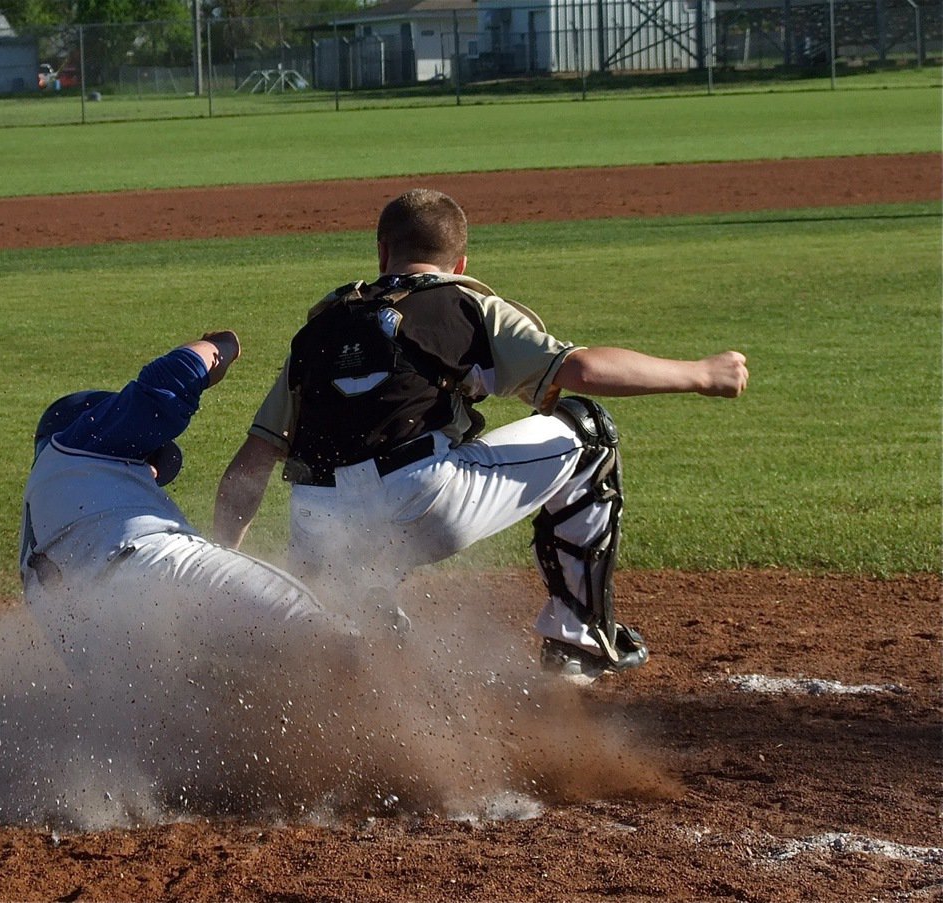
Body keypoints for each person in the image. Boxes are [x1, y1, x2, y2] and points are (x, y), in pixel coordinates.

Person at [213, 188, 749, 682]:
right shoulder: (464, 304)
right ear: (460, 263)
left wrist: (223, 569)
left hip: (319, 527)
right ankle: (578, 642)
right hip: (420, 501)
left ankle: (362, 687)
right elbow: (580, 371)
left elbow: (251, 464)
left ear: (382, 253)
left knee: (361, 648)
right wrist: (701, 374)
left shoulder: (320, 327)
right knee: (588, 433)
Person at [21, 330, 360, 693]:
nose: (153, 470)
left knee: (236, 704)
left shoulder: (45, 521)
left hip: (113, 660)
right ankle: (404, 718)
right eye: (149, 459)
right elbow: (166, 383)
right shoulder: (79, 442)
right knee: (329, 637)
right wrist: (223, 347)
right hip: (155, 571)